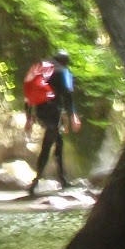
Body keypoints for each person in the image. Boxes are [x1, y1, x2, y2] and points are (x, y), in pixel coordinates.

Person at [24, 49, 80, 194]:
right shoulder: (64, 71)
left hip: (41, 113)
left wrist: (29, 119)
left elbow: (29, 93)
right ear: (65, 61)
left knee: (58, 141)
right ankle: (35, 182)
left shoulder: (42, 69)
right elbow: (68, 94)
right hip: (53, 112)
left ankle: (62, 179)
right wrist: (73, 115)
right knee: (47, 145)